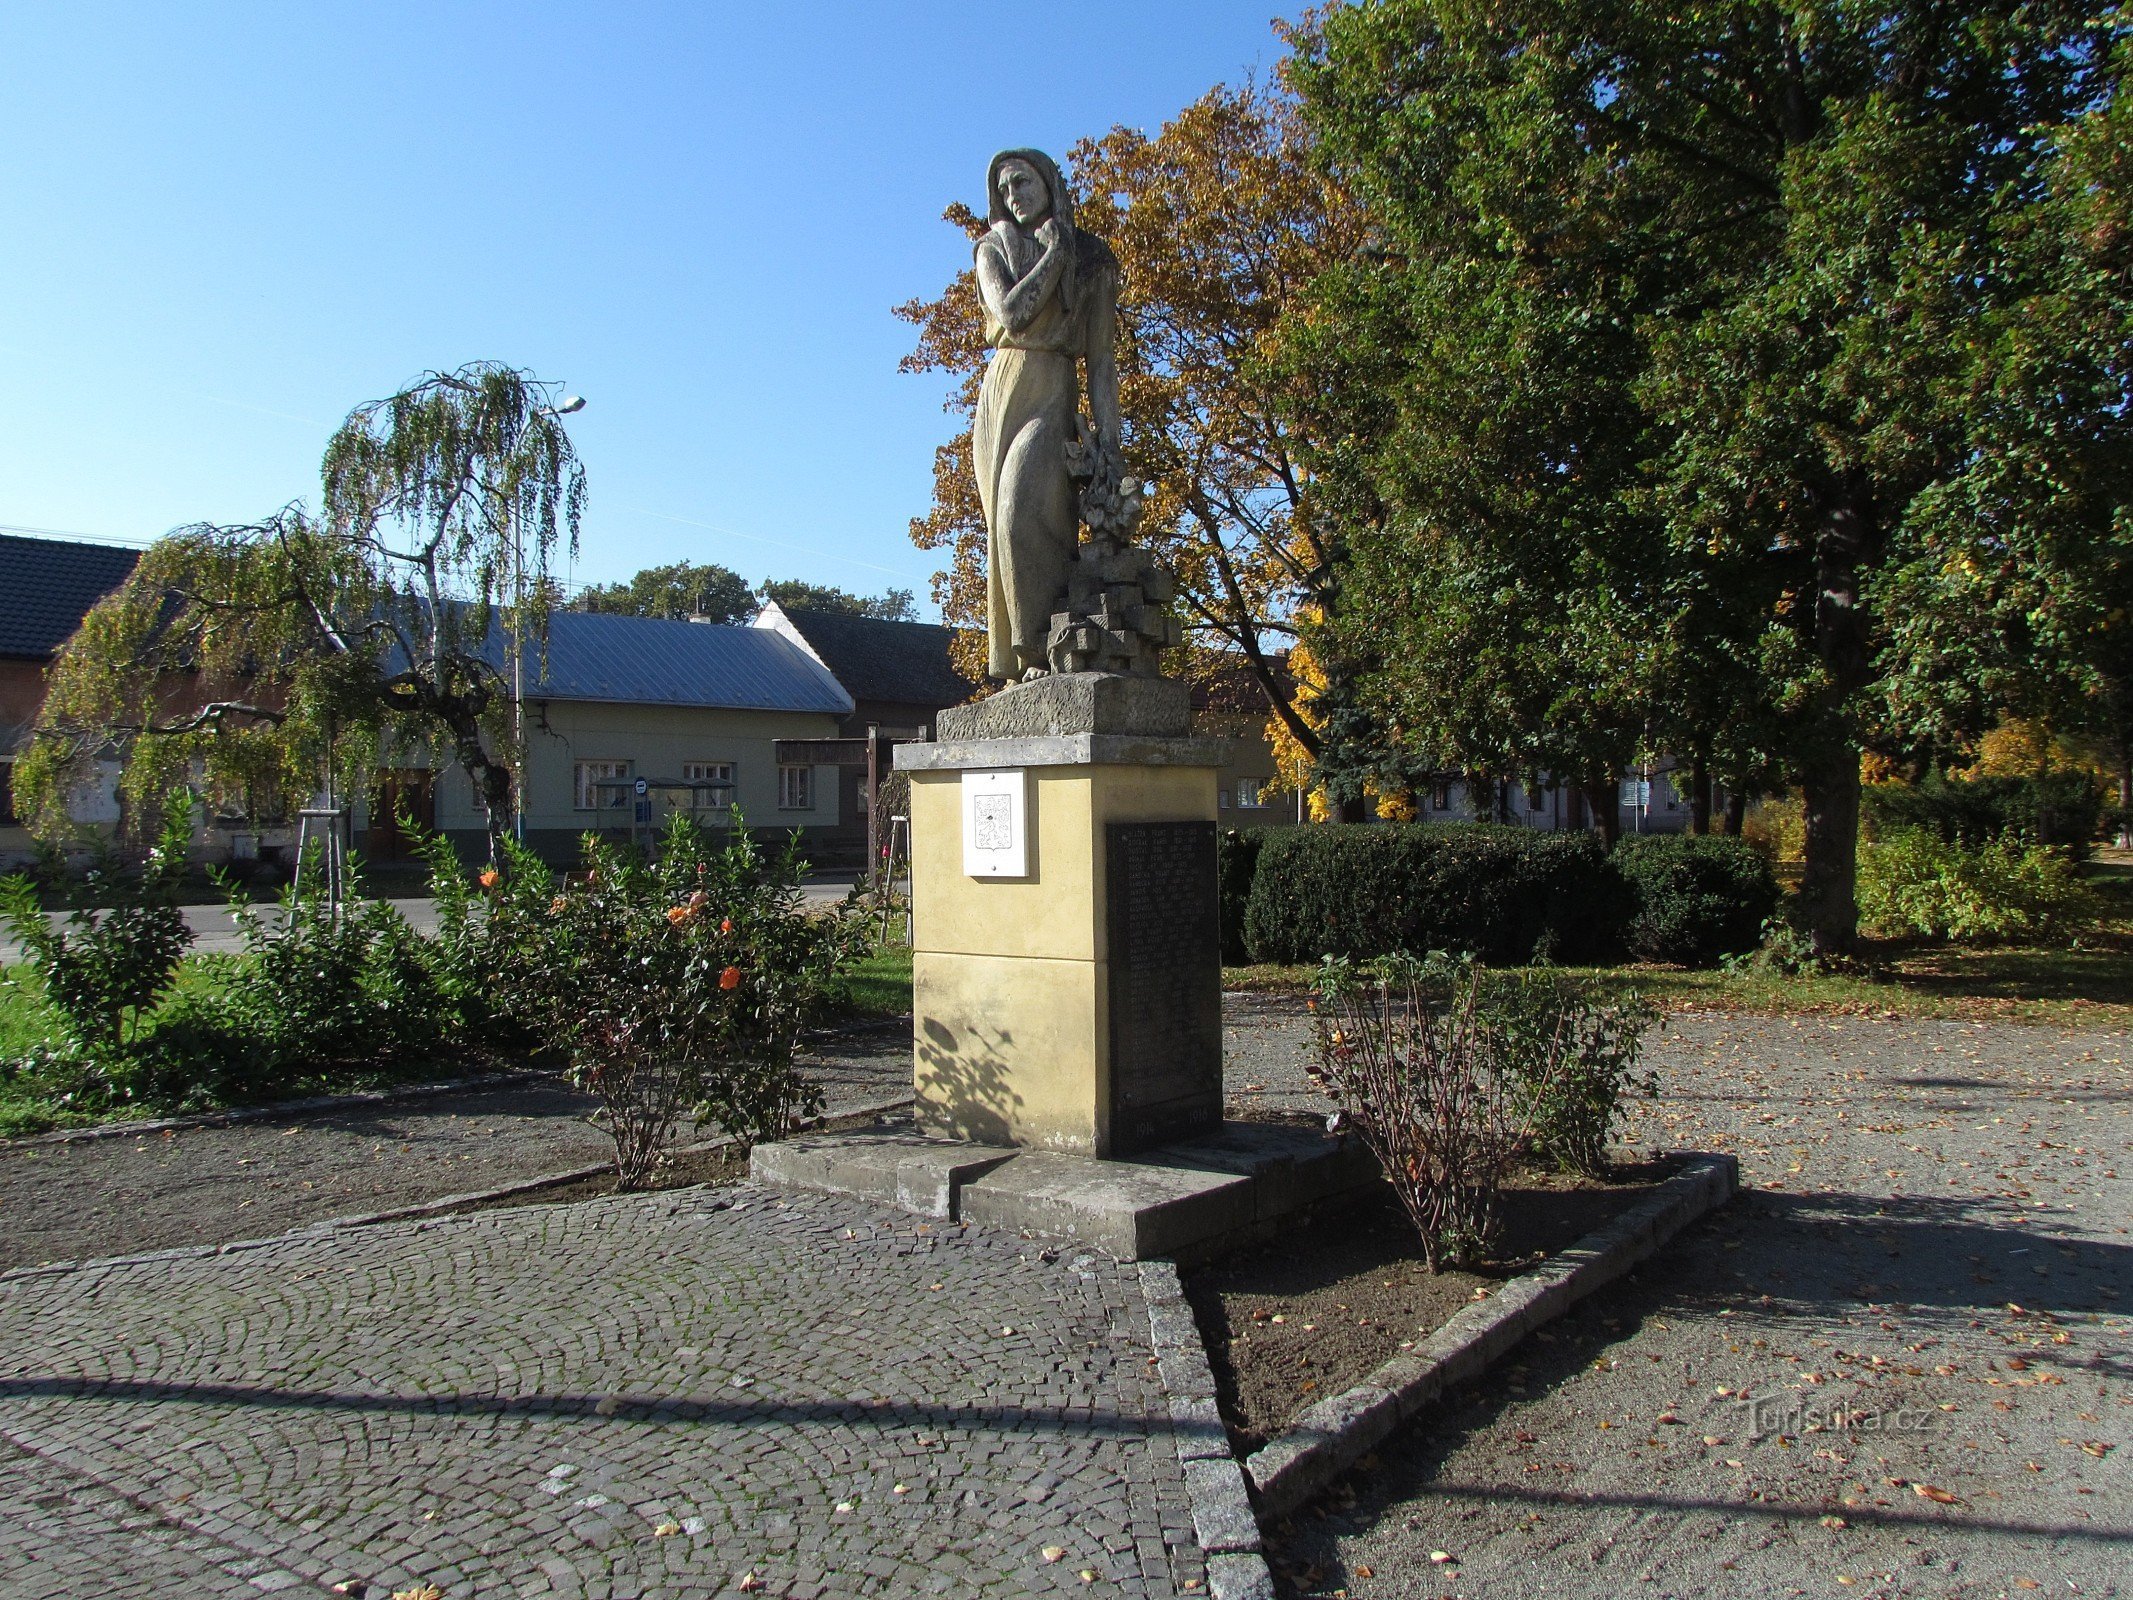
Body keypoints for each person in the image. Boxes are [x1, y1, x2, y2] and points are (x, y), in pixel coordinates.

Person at [971, 148, 1121, 681]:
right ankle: (1020, 662)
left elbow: (1101, 362)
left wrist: (1111, 446)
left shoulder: (1093, 258)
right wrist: (1053, 257)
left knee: (1020, 509)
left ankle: (1040, 647)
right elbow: (1010, 312)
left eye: (1023, 182)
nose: (1015, 196)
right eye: (1005, 189)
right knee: (1001, 530)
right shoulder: (992, 247)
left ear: (1049, 182)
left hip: (1053, 388)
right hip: (1002, 390)